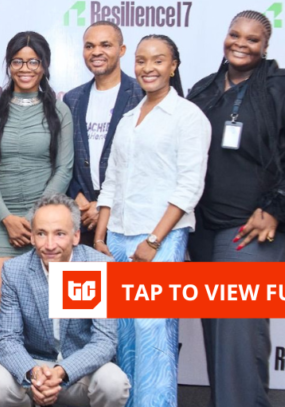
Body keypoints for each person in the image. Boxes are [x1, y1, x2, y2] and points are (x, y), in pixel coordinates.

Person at [94, 35, 211, 406]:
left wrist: (154, 241)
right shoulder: (129, 118)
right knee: (123, 331)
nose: (148, 68)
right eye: (141, 60)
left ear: (173, 66)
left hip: (162, 236)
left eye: (158, 60)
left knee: (154, 329)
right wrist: (100, 237)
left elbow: (189, 186)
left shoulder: (188, 116)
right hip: (118, 236)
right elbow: (112, 180)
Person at [187, 10, 285, 407]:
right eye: (234, 35)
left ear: (266, 46)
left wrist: (275, 206)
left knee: (239, 330)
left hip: (252, 226)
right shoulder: (204, 89)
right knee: (217, 331)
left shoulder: (279, 87)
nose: (240, 44)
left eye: (252, 39)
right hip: (204, 227)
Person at [0, 31, 74, 392]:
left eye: (33, 61)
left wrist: (36, 222)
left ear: (44, 66)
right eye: (18, 61)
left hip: (44, 222)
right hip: (0, 219)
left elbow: (64, 168)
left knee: (45, 305)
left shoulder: (59, 110)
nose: (25, 68)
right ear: (9, 65)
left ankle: (44, 385)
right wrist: (6, 217)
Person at [0, 194, 129, 407]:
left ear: (75, 236)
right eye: (41, 234)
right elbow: (7, 339)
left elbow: (104, 341)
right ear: (32, 237)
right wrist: (33, 373)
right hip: (35, 368)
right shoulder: (14, 271)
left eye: (59, 234)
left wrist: (62, 371)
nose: (50, 245)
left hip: (81, 370)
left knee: (114, 383)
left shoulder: (99, 266)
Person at [63, 21, 144, 246]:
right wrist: (77, 196)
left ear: (122, 50)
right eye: (89, 46)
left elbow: (145, 162)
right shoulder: (72, 98)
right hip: (83, 216)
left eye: (105, 45)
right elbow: (64, 156)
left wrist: (106, 205)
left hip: (128, 218)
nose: (96, 52)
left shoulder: (141, 95)